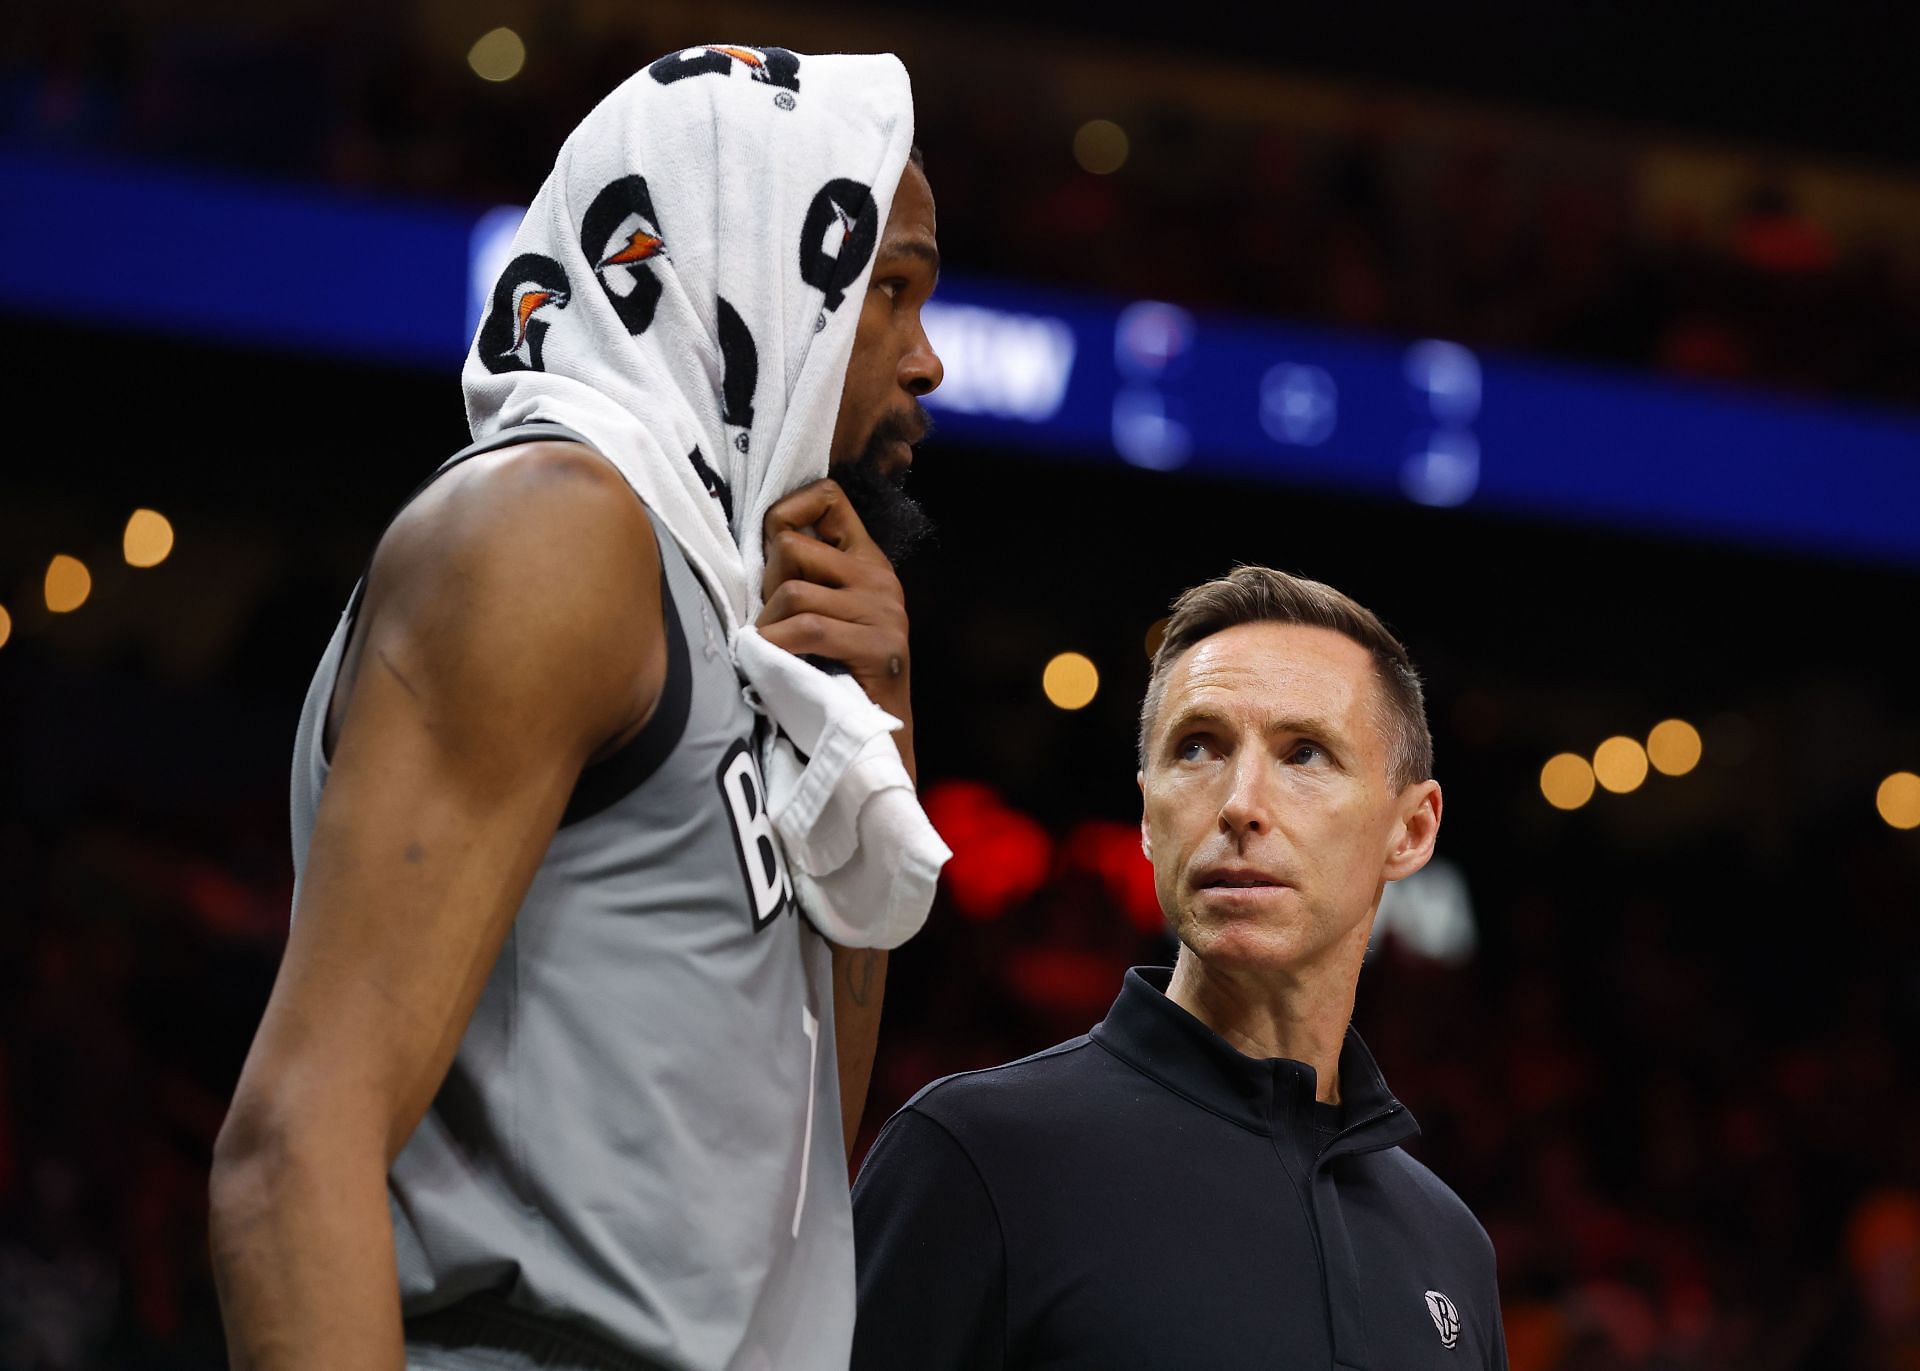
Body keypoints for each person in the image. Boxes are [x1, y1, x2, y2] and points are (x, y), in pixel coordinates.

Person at [209, 45, 945, 1371]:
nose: (928, 356)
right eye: (887, 288)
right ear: (749, 264)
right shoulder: (555, 530)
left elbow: (792, 1197)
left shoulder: (745, 612)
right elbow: (291, 1145)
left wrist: (871, 722)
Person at [851, 565, 1509, 1369]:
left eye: (1305, 752)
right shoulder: (972, 1157)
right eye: (1198, 748)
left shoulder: (1450, 1248)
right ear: (1149, 818)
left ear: (1411, 829)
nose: (1238, 802)